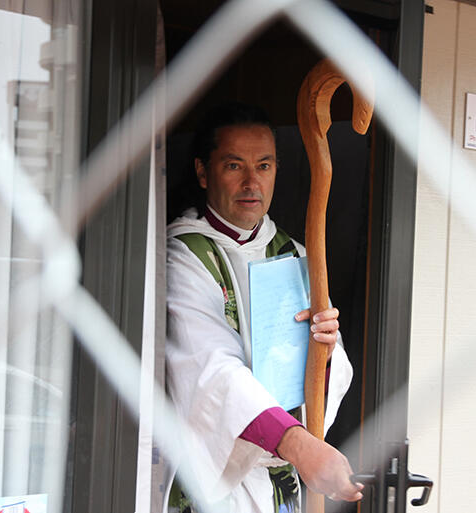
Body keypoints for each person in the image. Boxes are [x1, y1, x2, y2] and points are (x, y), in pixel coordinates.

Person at [165, 102, 363, 512]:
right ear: (203, 172)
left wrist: (323, 348)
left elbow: (330, 372)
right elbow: (211, 374)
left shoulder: (295, 256)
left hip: (280, 481)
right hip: (217, 482)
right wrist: (301, 447)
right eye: (235, 166)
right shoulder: (183, 254)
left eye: (265, 166)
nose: (252, 183)